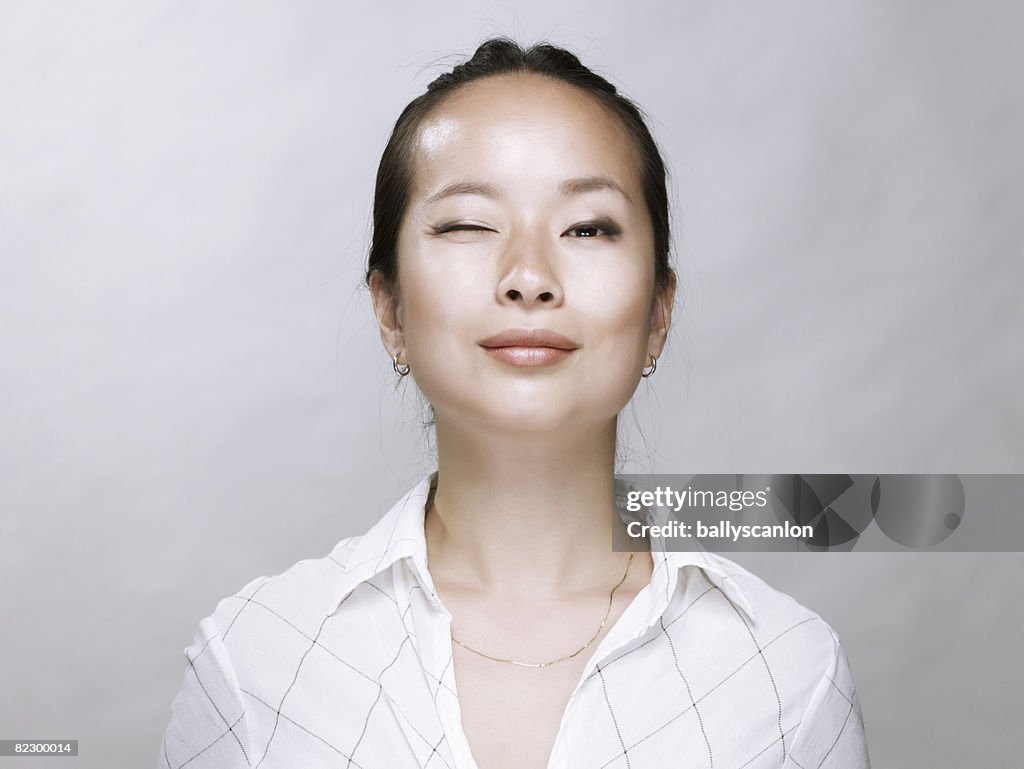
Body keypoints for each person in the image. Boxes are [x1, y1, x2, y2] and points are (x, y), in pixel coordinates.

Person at [159, 37, 870, 769]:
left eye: (588, 227)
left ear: (659, 312)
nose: (529, 276)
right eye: (468, 224)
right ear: (390, 310)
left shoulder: (784, 673)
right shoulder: (256, 662)